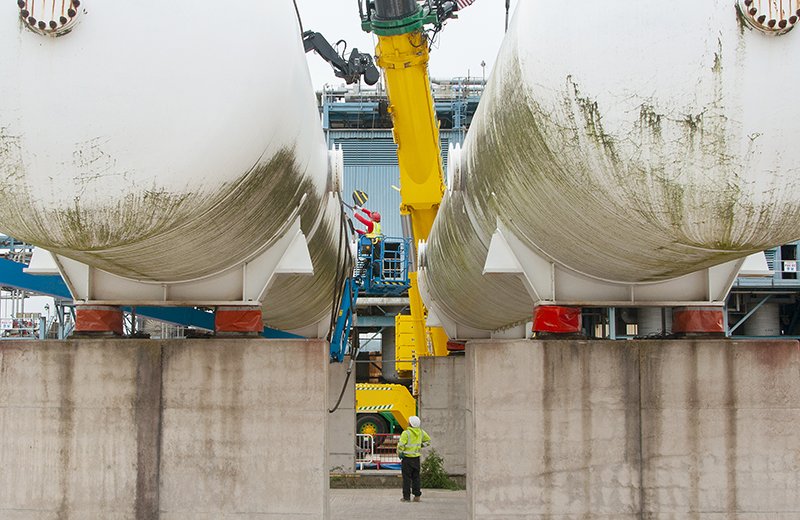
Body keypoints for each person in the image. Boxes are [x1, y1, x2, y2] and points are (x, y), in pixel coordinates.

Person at [397, 415, 430, 503]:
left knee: (406, 479)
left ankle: (406, 497)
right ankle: (417, 496)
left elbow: (401, 445)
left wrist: (400, 453)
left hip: (407, 459)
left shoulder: (406, 433)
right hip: (416, 459)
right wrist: (420, 446)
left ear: (410, 424)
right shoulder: (421, 432)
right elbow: (428, 441)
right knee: (416, 478)